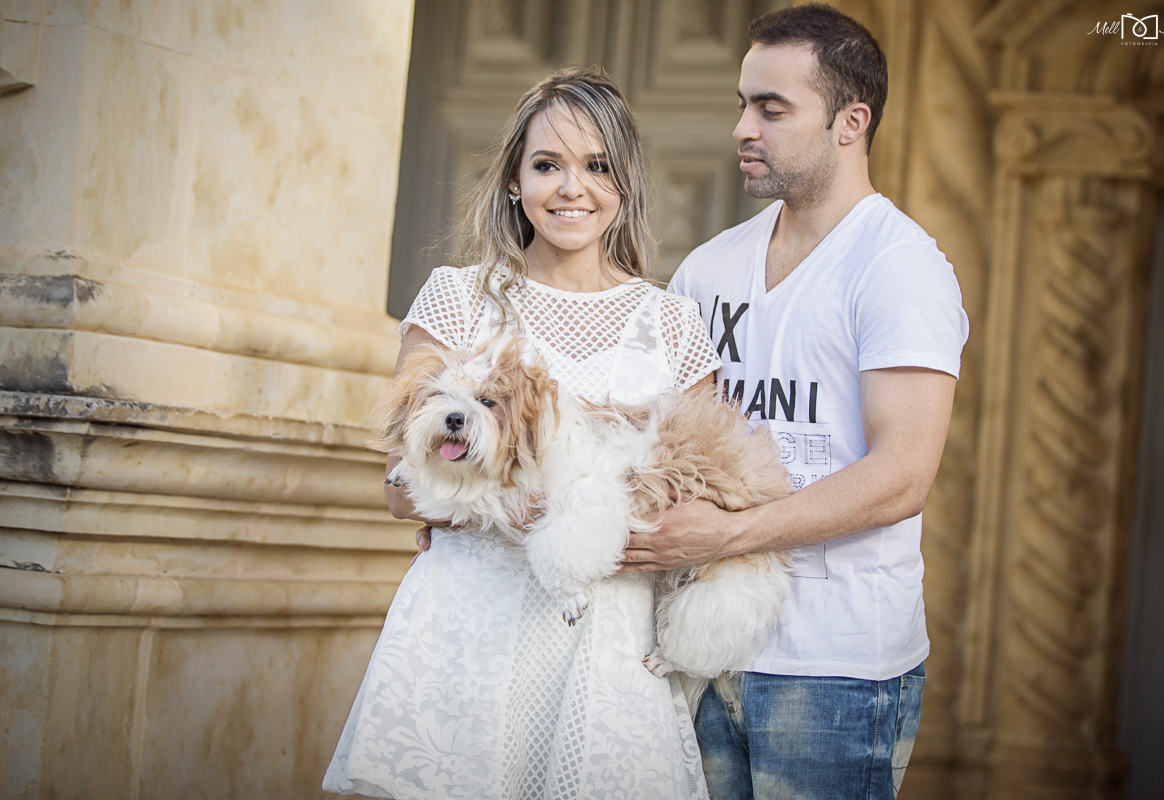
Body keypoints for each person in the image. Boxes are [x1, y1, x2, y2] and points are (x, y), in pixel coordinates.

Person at [323, 67, 721, 800]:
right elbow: (399, 488)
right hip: (468, 627)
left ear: (625, 183)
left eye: (597, 165)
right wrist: (514, 508)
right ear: (514, 179)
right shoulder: (456, 299)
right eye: (547, 165)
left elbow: (703, 492)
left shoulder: (673, 324)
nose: (572, 188)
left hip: (608, 636)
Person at [620, 5, 969, 800]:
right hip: (697, 645)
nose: (743, 128)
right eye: (742, 104)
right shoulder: (707, 269)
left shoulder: (898, 268)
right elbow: (654, 434)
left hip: (833, 670)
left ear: (851, 122)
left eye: (771, 109)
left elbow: (902, 476)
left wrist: (725, 534)